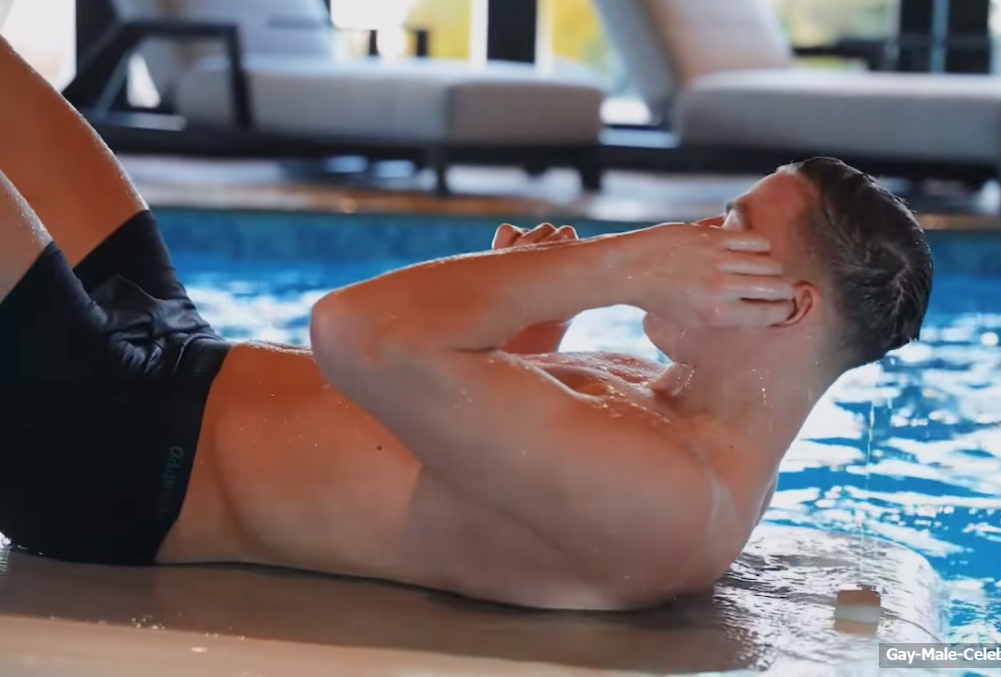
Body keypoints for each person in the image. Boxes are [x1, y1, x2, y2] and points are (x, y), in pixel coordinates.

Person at [0, 38, 933, 611]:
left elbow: (350, 330)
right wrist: (533, 331)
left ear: (790, 306)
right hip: (174, 356)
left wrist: (617, 263)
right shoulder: (663, 406)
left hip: (108, 451)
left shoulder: (674, 501)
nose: (690, 237)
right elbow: (448, 461)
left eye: (729, 229)